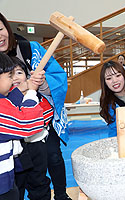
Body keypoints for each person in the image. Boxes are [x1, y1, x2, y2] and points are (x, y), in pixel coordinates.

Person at [0, 13, 71, 200]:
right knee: (16, 181)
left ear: (7, 28)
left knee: (51, 161)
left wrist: (43, 85)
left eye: (0, 29)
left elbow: (58, 77)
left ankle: (62, 195)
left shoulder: (30, 49)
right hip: (10, 135)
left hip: (41, 125)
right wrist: (26, 88)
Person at [0, 52, 44, 200]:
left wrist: (28, 85)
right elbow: (27, 123)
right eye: (9, 76)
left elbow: (10, 103)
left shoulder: (3, 101)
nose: (13, 80)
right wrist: (31, 92)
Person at [11, 57, 53, 200]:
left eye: (19, 72)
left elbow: (44, 118)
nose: (15, 78)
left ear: (26, 74)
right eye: (9, 74)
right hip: (16, 151)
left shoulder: (36, 95)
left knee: (39, 183)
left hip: (36, 146)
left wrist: (33, 87)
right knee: (17, 186)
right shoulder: (5, 100)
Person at [99, 60, 125, 136]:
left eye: (118, 75)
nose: (114, 81)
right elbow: (116, 130)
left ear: (124, 75)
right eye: (109, 78)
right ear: (104, 82)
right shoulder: (108, 103)